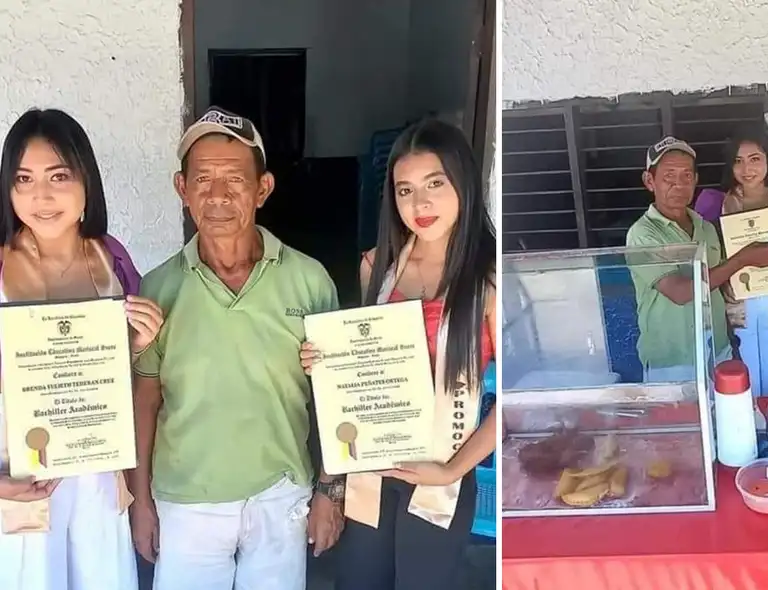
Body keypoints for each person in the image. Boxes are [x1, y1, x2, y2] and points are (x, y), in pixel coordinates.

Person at [128, 107, 341, 590]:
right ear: (182, 189)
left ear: (262, 188)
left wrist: (331, 491)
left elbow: (337, 394)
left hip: (280, 497)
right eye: (202, 178)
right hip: (186, 501)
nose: (218, 195)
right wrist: (140, 500)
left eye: (235, 180)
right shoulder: (158, 288)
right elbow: (145, 401)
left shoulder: (309, 281)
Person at [299, 119, 496, 590]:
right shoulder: (377, 268)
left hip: (441, 470)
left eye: (435, 184)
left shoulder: (489, 281)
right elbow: (353, 386)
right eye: (405, 190)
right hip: (370, 469)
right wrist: (329, 365)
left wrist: (451, 468)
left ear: (463, 184)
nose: (420, 203)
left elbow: (517, 393)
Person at [0, 108, 165, 590]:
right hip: (20, 477)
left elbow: (134, 384)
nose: (42, 196)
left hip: (99, 476)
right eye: (24, 179)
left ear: (86, 181)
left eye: (59, 176)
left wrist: (137, 345)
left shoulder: (110, 258)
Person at [626, 136, 768, 382]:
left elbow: (716, 288)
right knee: (679, 422)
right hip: (672, 363)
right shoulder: (643, 234)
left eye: (686, 176)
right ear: (649, 181)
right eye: (668, 176)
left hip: (718, 353)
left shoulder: (705, 227)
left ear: (696, 180)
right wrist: (742, 259)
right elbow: (681, 293)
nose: (678, 184)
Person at [694, 124, 768, 396]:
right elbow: (705, 257)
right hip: (735, 310)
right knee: (741, 386)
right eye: (738, 161)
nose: (747, 169)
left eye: (755, 159)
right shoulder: (713, 203)